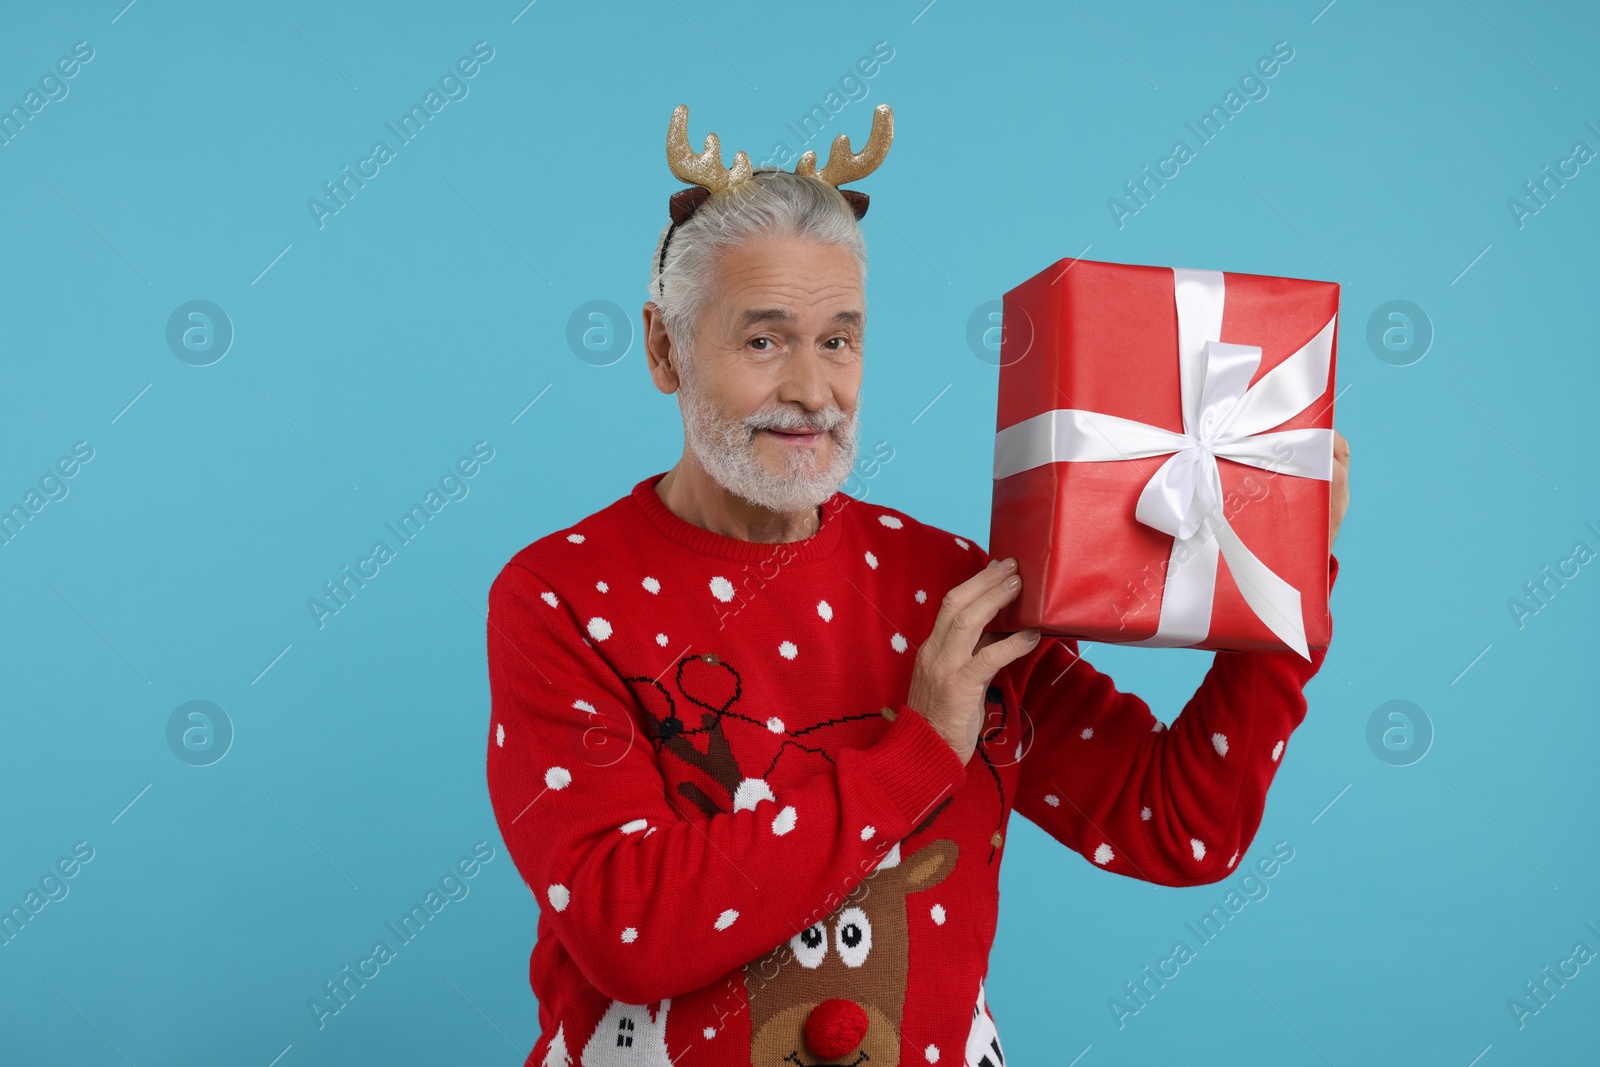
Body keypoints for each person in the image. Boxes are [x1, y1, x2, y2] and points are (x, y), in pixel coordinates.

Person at [484, 103, 1350, 1067]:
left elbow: (1178, 828)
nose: (813, 390)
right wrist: (923, 748)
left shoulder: (953, 588)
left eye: (840, 340)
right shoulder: (561, 593)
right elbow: (625, 929)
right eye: (764, 342)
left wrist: (1279, 571)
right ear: (662, 349)